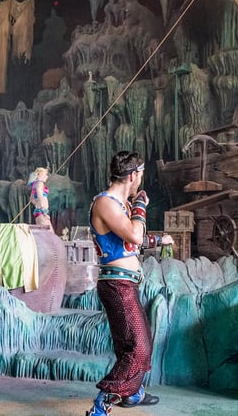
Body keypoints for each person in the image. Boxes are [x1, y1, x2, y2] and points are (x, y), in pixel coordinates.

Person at [86, 151, 159, 416]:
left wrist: (159, 241)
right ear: (133, 175)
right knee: (139, 347)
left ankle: (133, 392)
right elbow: (134, 235)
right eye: (140, 176)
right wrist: (140, 205)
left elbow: (129, 245)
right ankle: (102, 403)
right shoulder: (105, 203)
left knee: (133, 342)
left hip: (126, 283)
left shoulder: (120, 205)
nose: (140, 181)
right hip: (116, 284)